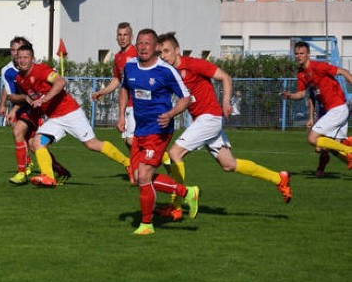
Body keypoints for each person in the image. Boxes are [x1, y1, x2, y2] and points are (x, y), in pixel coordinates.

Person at [156, 32, 291, 219]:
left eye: (166, 51)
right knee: (229, 164)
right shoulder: (168, 73)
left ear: (177, 50)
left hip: (209, 117)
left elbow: (225, 77)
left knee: (174, 153)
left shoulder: (194, 64)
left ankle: (176, 206)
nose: (163, 56)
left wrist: (226, 102)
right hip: (203, 120)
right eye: (160, 52)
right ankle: (278, 178)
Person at [8, 43, 130, 188]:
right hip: (54, 118)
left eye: (25, 57)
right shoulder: (21, 79)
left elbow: (61, 82)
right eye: (19, 57)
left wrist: (45, 98)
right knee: (37, 142)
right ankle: (49, 177)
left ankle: (127, 163)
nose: (22, 60)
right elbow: (25, 97)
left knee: (92, 144)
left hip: (70, 112)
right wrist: (17, 108)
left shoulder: (41, 70)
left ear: (32, 58)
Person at [117, 28, 199, 235]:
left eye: (148, 43)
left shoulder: (166, 71)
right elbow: (124, 89)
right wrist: (120, 117)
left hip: (159, 129)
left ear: (155, 48)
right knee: (137, 177)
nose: (143, 47)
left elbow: (186, 97)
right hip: (140, 129)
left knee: (144, 174)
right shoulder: (130, 67)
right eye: (140, 43)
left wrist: (171, 114)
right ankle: (186, 192)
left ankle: (146, 224)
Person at [91, 21, 166, 183]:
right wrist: (102, 92)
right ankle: (138, 169)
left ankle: (154, 160)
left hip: (140, 105)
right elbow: (118, 80)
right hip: (128, 104)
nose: (122, 38)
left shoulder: (137, 52)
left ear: (131, 37)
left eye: (125, 35)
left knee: (133, 140)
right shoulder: (118, 57)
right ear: (116, 37)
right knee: (128, 141)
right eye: (119, 35)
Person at [0, 36, 70, 185]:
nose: (17, 53)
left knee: (18, 131)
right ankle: (60, 170)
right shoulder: (7, 71)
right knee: (32, 144)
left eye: (20, 50)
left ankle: (21, 173)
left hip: (37, 106)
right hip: (24, 105)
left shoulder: (35, 66)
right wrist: (7, 105)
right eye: (13, 50)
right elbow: (11, 93)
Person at [280, 41, 352, 170]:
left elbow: (343, 71)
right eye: (296, 54)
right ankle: (345, 155)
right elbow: (301, 94)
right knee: (332, 147)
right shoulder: (301, 73)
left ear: (308, 54)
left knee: (313, 139)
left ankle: (348, 151)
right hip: (334, 110)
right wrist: (290, 95)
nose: (298, 56)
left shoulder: (318, 66)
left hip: (338, 108)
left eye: (301, 53)